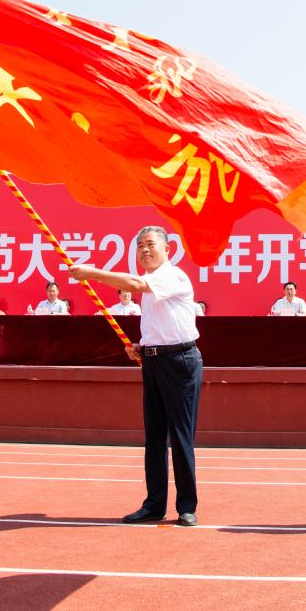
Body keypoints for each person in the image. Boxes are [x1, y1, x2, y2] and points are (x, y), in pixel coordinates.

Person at [69, 226, 202, 527]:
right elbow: (163, 324)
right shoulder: (152, 284)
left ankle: (186, 506)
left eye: (151, 244)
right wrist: (144, 347)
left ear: (167, 249)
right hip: (154, 362)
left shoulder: (172, 276)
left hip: (180, 362)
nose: (145, 250)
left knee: (180, 436)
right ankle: (154, 505)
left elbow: (136, 284)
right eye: (140, 245)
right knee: (154, 437)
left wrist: (92, 273)